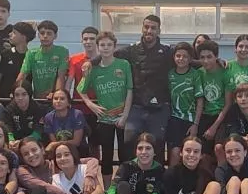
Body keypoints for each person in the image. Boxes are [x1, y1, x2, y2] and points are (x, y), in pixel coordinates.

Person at [79, 31, 133, 170]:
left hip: (123, 117)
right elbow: (81, 89)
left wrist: (125, 116)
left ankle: (123, 182)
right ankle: (107, 184)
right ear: (98, 47)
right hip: (104, 118)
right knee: (107, 156)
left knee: (125, 155)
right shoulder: (92, 68)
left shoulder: (124, 64)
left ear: (114, 46)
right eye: (102, 45)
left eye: (109, 45)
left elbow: (130, 90)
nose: (106, 48)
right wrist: (91, 104)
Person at [116, 15, 174, 144]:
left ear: (159, 31)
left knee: (157, 145)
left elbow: (188, 60)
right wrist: (91, 63)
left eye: (153, 28)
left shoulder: (168, 51)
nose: (149, 31)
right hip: (136, 107)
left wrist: (216, 62)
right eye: (146, 27)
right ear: (142, 28)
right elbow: (109, 56)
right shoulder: (131, 50)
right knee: (129, 143)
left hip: (159, 108)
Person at [166, 41, 204, 165]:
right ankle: (172, 176)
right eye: (178, 56)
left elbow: (200, 100)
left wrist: (195, 124)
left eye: (185, 56)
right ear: (174, 57)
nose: (181, 59)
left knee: (190, 152)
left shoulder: (195, 74)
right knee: (175, 152)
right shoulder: (170, 74)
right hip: (174, 119)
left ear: (190, 59)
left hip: (190, 120)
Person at [16, 19, 69, 100]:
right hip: (37, 98)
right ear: (38, 35)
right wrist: (15, 91)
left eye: (49, 33)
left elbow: (61, 76)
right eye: (42, 33)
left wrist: (56, 94)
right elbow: (22, 75)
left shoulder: (62, 51)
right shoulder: (31, 53)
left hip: (55, 98)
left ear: (55, 36)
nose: (45, 36)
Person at [197, 38, 232, 154]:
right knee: (201, 151)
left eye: (209, 57)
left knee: (219, 148)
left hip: (221, 117)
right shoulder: (199, 73)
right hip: (205, 116)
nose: (206, 61)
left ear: (216, 56)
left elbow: (228, 104)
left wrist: (214, 127)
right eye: (202, 57)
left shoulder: (225, 73)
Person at [68, 27, 101, 138]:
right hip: (79, 106)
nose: (88, 41)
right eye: (85, 39)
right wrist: (66, 102)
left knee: (95, 142)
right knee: (78, 141)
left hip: (98, 107)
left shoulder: (105, 59)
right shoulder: (74, 59)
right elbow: (69, 82)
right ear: (81, 41)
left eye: (92, 38)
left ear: (97, 40)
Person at [0, 21, 34, 100]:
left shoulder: (32, 57)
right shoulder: (5, 54)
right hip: (4, 99)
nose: (10, 34)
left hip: (22, 100)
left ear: (23, 37)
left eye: (14, 32)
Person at [3, 82, 44, 152]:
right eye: (17, 95)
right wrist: (11, 140)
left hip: (34, 143)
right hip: (15, 144)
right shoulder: (8, 110)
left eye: (24, 94)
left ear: (29, 95)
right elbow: (8, 128)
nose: (20, 98)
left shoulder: (39, 109)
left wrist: (22, 142)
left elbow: (38, 132)